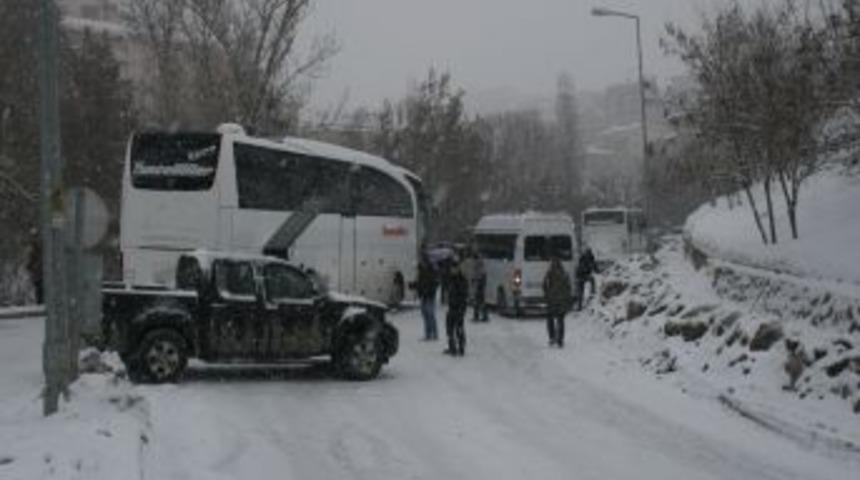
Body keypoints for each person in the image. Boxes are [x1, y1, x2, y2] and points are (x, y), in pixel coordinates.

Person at [543, 257, 572, 348]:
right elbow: (568, 287)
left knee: (550, 318)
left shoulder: (550, 273)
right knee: (561, 320)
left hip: (552, 300)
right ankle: (560, 340)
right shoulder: (565, 274)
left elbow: (544, 284)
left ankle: (552, 337)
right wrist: (567, 298)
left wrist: (547, 293)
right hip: (562, 300)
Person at [412, 253, 439, 340]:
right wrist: (414, 286)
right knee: (425, 315)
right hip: (424, 295)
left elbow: (433, 283)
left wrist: (428, 289)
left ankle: (433, 334)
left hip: (429, 295)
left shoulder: (430, 271)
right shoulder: (422, 271)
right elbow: (420, 283)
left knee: (430, 315)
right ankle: (428, 333)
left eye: (421, 260)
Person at [445, 257, 469, 356]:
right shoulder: (451, 279)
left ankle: (461, 347)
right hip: (452, 306)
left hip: (459, 306)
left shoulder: (461, 280)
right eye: (452, 268)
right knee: (450, 327)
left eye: (454, 268)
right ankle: (452, 347)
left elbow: (463, 294)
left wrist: (461, 307)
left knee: (459, 327)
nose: (452, 270)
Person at [26, 230, 43, 305]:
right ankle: (40, 302)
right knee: (39, 289)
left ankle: (40, 302)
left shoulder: (35, 247)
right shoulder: (34, 247)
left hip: (39, 272)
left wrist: (30, 266)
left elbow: (33, 259)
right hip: (38, 273)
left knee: (39, 289)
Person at [471, 252, 488, 322]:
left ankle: (476, 316)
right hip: (481, 283)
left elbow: (477, 274)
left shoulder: (477, 264)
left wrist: (474, 280)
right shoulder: (481, 263)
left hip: (479, 284)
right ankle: (484, 316)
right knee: (481, 301)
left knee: (477, 301)